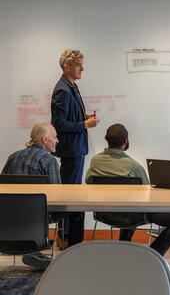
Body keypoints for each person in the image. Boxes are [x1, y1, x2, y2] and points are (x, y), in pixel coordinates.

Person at [86, 123, 170, 256]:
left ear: (106, 139)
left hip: (104, 213)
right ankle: (153, 254)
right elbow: (148, 195)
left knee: (127, 203)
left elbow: (89, 182)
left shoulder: (95, 161)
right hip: (132, 215)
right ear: (126, 142)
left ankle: (124, 246)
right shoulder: (133, 166)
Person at [51, 49, 99, 248]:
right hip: (71, 150)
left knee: (73, 195)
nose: (82, 69)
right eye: (79, 65)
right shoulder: (62, 89)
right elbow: (59, 124)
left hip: (76, 149)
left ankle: (70, 238)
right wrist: (84, 125)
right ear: (67, 66)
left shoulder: (72, 86)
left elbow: (69, 117)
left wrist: (83, 118)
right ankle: (66, 238)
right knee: (70, 196)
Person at [1, 123, 61, 269]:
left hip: (7, 217)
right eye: (55, 137)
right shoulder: (49, 161)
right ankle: (37, 253)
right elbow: (58, 193)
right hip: (37, 218)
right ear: (44, 140)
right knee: (62, 212)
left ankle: (32, 252)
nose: (58, 140)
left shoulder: (13, 157)